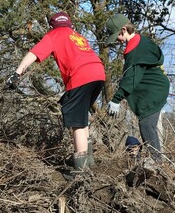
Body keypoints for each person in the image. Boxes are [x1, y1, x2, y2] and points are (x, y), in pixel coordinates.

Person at [7, 12, 106, 172]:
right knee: (81, 115)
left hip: (81, 75)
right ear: (69, 24)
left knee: (76, 121)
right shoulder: (77, 35)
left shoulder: (53, 35)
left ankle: (82, 171)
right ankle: (90, 163)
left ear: (52, 26)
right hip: (98, 72)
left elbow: (34, 53)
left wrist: (17, 74)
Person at [105, 13, 170, 164]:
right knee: (147, 125)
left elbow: (131, 79)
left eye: (117, 36)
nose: (117, 41)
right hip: (157, 88)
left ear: (123, 30)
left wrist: (116, 99)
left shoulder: (135, 50)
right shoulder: (142, 41)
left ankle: (157, 163)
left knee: (146, 125)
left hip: (153, 91)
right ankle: (155, 160)